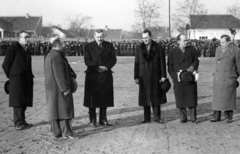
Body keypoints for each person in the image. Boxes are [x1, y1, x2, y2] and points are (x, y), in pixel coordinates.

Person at [44, 36, 76, 139]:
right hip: (59, 88)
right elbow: (59, 74)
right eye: (62, 44)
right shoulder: (57, 56)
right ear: (58, 45)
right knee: (64, 109)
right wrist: (64, 88)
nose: (64, 46)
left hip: (52, 88)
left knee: (54, 111)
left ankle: (57, 132)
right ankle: (67, 132)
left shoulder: (50, 55)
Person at [83, 29, 117, 127]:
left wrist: (106, 67)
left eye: (101, 37)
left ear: (104, 36)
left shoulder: (109, 46)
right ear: (94, 36)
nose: (100, 39)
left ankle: (103, 119)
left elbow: (113, 59)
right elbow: (87, 61)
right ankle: (92, 120)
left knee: (104, 98)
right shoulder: (88, 46)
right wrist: (98, 67)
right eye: (98, 37)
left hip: (105, 75)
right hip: (92, 75)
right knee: (92, 99)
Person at [2, 31, 34, 130]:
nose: (27, 39)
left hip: (26, 78)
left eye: (28, 37)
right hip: (17, 79)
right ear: (19, 38)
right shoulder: (13, 48)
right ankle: (17, 122)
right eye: (25, 37)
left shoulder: (27, 49)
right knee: (17, 102)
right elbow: (5, 65)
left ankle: (23, 121)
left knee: (24, 101)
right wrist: (12, 76)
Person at [134, 29, 167, 124]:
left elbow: (162, 62)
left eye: (147, 38)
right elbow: (136, 63)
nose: (145, 40)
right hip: (143, 76)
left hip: (155, 76)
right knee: (145, 97)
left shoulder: (158, 47)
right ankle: (146, 118)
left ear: (150, 37)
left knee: (156, 97)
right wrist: (136, 76)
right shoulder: (139, 47)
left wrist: (163, 75)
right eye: (143, 38)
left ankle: (157, 117)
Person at [167, 34, 199, 123]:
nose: (186, 42)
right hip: (179, 78)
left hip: (189, 77)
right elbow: (170, 66)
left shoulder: (191, 49)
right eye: (184, 40)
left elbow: (196, 60)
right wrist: (174, 77)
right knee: (180, 98)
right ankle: (183, 117)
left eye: (186, 40)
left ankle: (193, 117)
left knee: (191, 97)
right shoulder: (172, 52)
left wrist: (193, 67)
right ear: (178, 41)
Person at [211, 35, 240, 123]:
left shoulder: (236, 50)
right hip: (218, 77)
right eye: (221, 42)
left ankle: (228, 117)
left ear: (228, 42)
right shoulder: (218, 49)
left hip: (228, 78)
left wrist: (234, 76)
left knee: (228, 98)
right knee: (216, 98)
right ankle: (216, 116)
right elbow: (217, 63)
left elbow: (239, 66)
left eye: (223, 42)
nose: (221, 44)